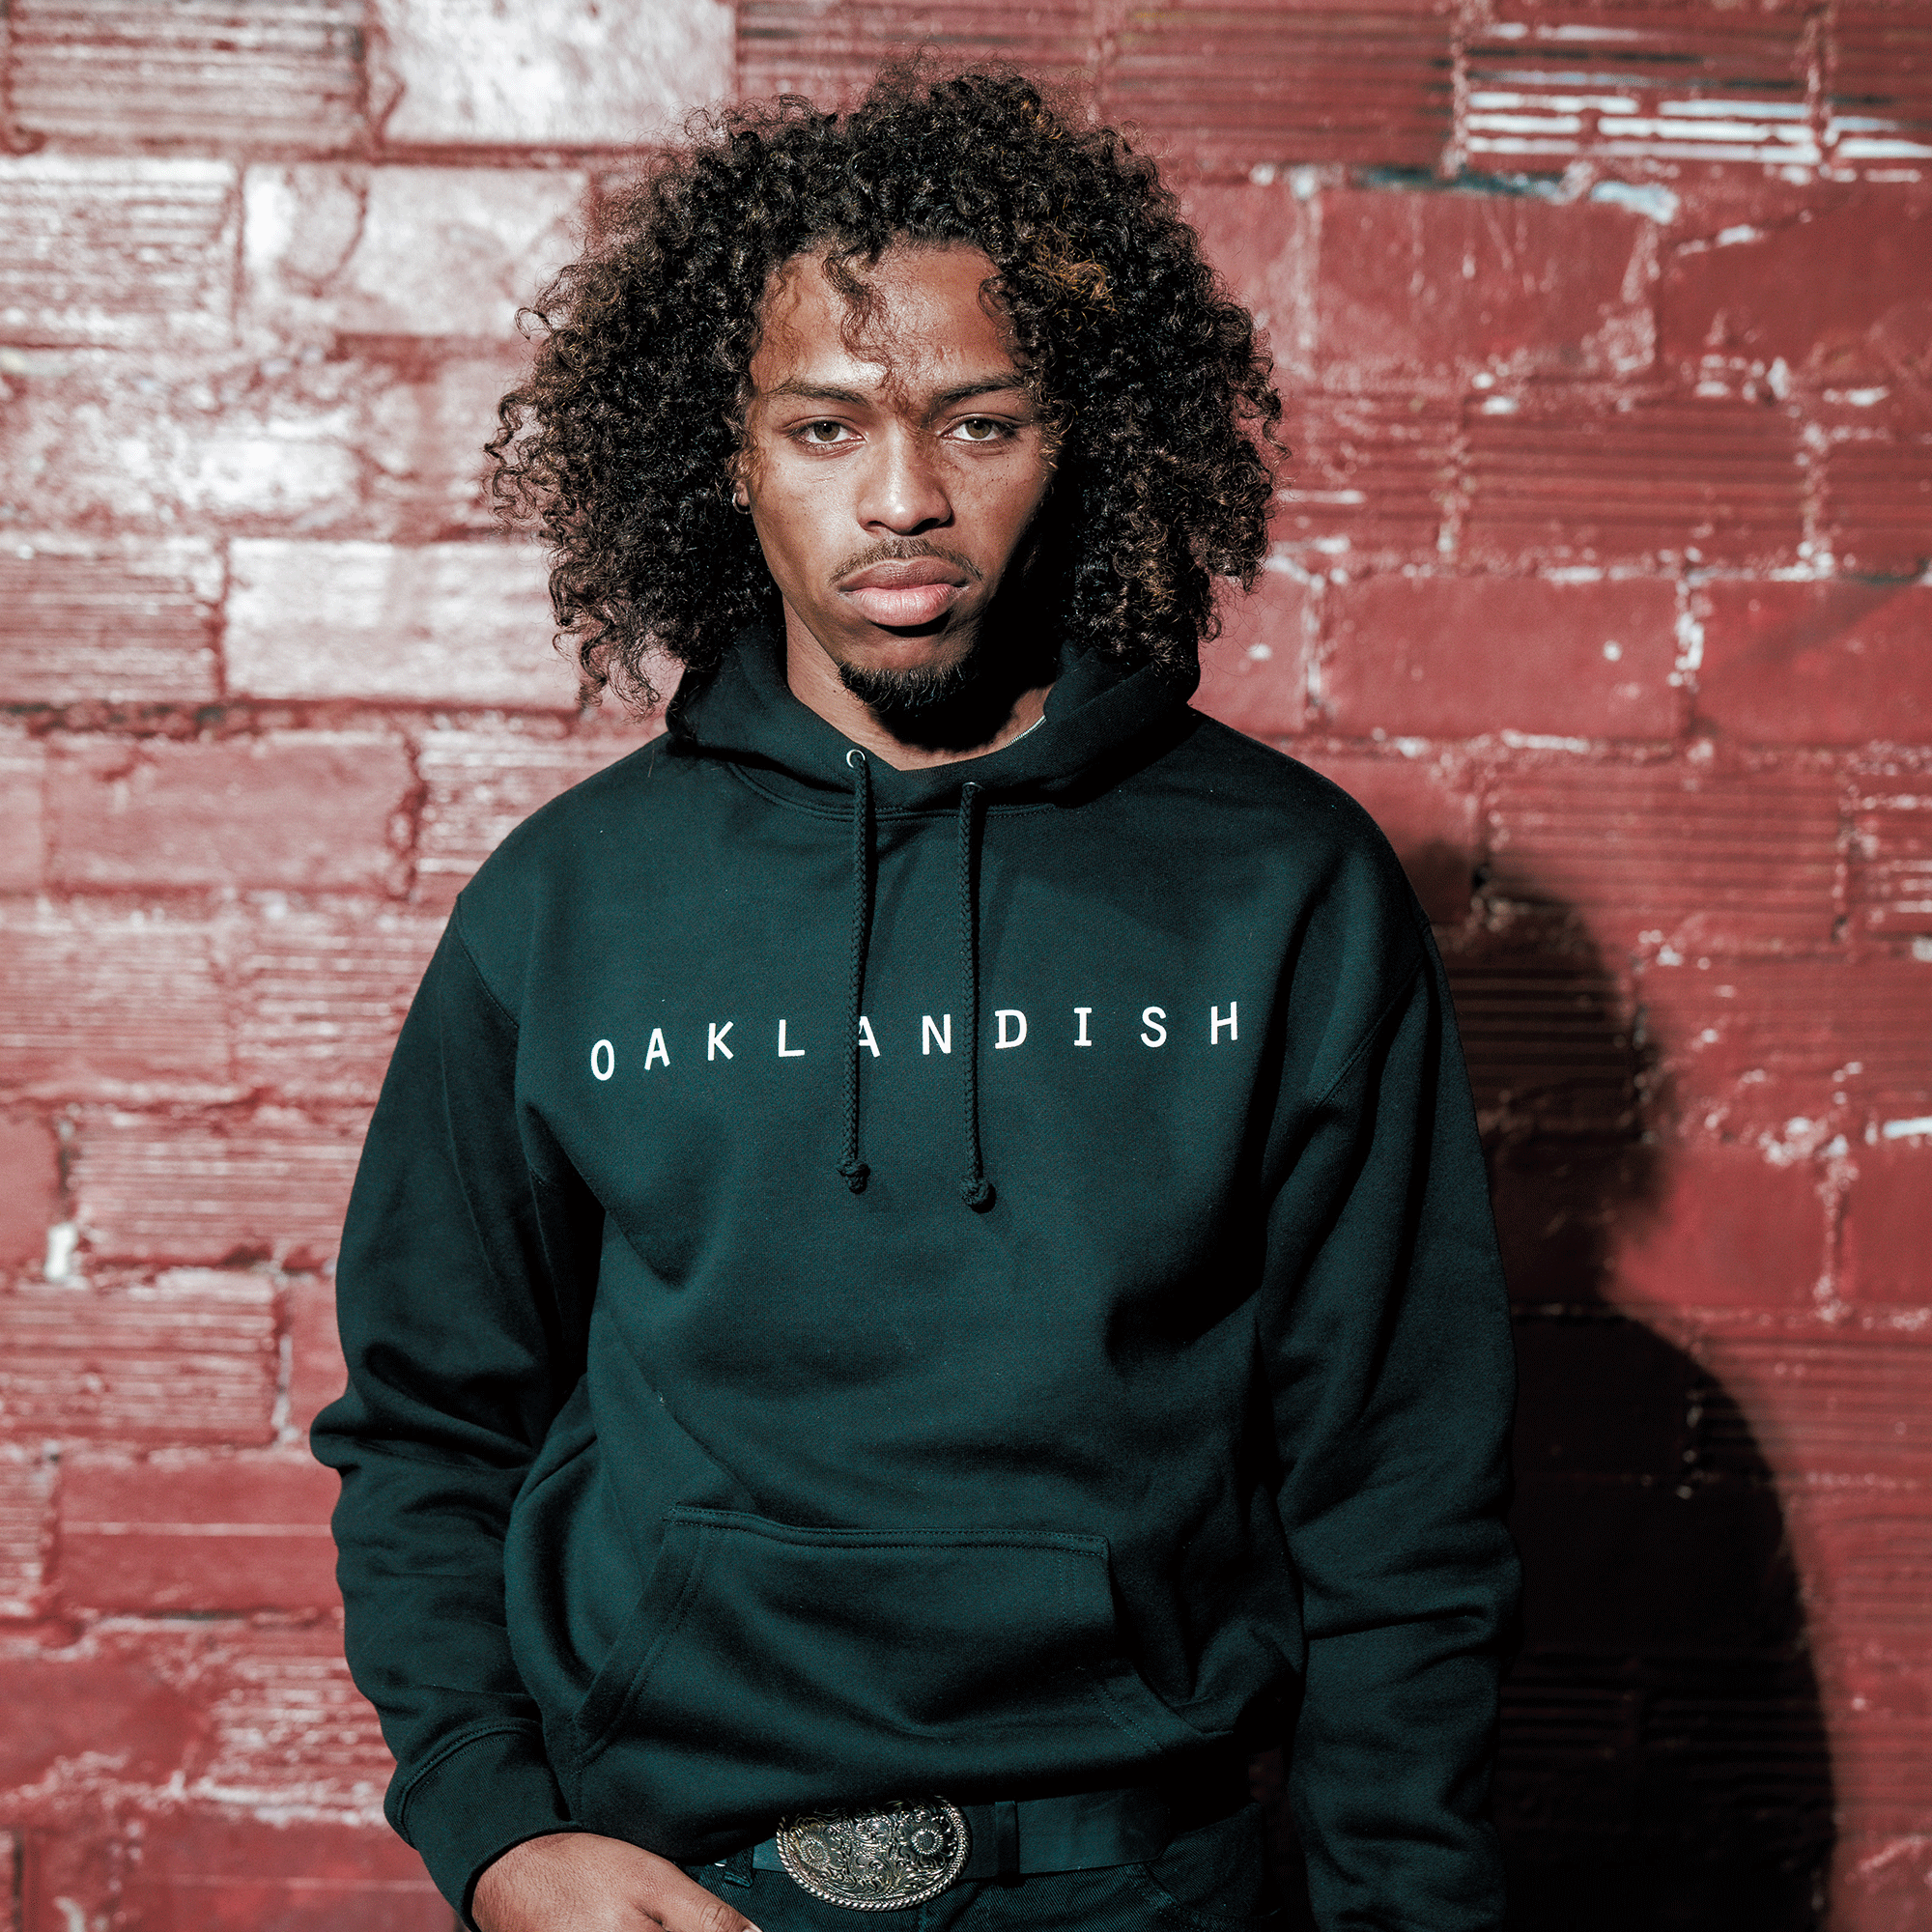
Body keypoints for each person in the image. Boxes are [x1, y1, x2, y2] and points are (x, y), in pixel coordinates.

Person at [312, 67, 1519, 1932]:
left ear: (1083, 440)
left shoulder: (1282, 887)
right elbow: (428, 1427)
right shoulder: (568, 906)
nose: (903, 500)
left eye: (982, 421)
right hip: (678, 1889)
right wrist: (492, 1831)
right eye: (823, 426)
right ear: (724, 451)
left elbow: (1405, 1492)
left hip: (1144, 1880)